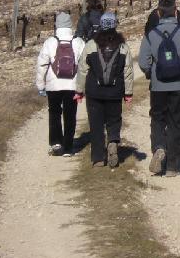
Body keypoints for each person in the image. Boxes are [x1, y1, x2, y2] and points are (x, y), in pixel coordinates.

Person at [139, 0, 180, 177]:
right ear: (175, 12)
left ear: (158, 13)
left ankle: (159, 147)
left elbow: (143, 62)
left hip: (158, 85)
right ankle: (173, 166)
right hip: (179, 85)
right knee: (176, 121)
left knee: (158, 119)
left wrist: (152, 73)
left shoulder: (150, 33)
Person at [75, 12, 134, 168]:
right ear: (115, 25)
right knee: (114, 120)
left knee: (96, 124)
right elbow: (128, 71)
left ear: (101, 25)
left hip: (94, 92)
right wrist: (128, 93)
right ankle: (113, 141)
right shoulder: (123, 46)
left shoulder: (91, 45)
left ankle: (98, 158)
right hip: (115, 92)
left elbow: (82, 69)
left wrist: (79, 91)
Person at [35, 12, 84, 156]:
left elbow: (42, 64)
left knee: (54, 113)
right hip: (72, 85)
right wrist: (83, 86)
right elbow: (84, 65)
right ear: (70, 25)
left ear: (57, 25)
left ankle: (56, 143)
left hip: (53, 85)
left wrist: (41, 85)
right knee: (70, 115)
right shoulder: (78, 41)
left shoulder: (50, 42)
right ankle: (68, 147)